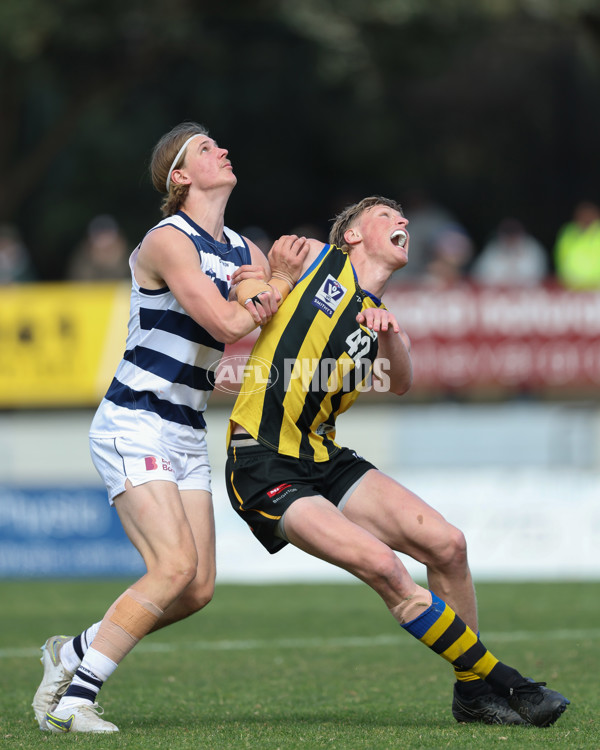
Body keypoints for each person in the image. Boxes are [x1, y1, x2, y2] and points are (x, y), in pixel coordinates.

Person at [225, 196, 569, 728]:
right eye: (386, 216)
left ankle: (472, 695)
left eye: (403, 217)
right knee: (386, 567)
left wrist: (388, 336)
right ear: (355, 236)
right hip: (263, 460)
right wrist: (268, 278)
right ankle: (507, 683)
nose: (402, 221)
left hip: (322, 454)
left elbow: (402, 381)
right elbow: (248, 272)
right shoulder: (318, 257)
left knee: (448, 545)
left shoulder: (384, 318)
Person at [32, 121, 308, 733]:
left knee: (198, 586)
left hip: (185, 429)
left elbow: (265, 327)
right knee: (173, 566)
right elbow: (225, 321)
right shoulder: (167, 240)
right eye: (207, 149)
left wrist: (289, 282)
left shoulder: (245, 251)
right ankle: (77, 698)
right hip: (135, 421)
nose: (224, 150)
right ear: (179, 176)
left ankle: (75, 650)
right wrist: (274, 287)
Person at [470, 218, 549, 286]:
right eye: (508, 234)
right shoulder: (493, 249)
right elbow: (480, 275)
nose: (511, 238)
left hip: (529, 296)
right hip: (498, 295)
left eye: (514, 234)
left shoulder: (533, 248)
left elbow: (539, 276)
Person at [66, 214, 131, 281]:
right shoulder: (80, 265)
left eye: (109, 247)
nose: (106, 251)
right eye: (101, 247)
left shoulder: (134, 261)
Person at [553, 200, 600, 290]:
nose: (585, 217)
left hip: (597, 288)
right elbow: (560, 258)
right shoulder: (568, 232)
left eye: (589, 214)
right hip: (572, 288)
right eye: (582, 215)